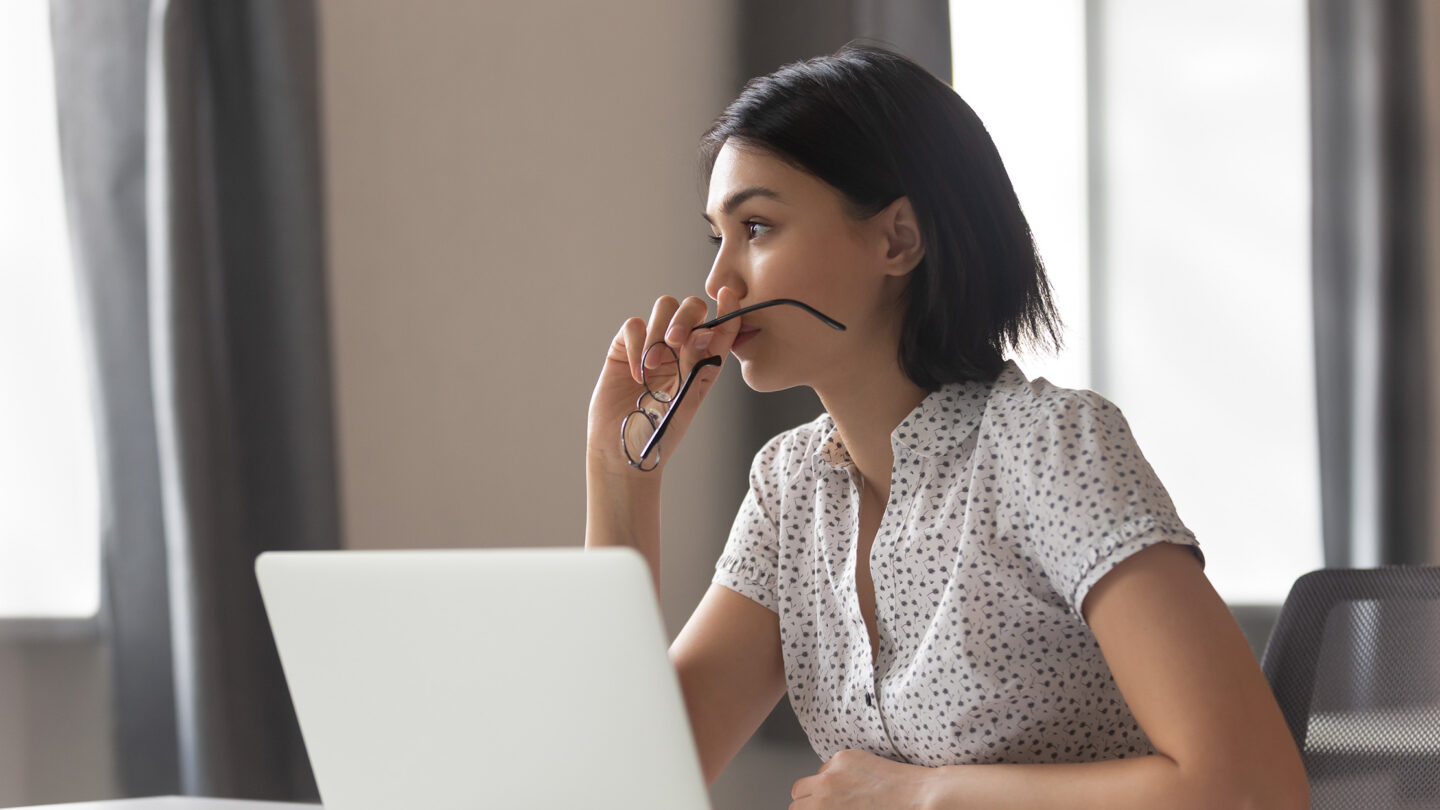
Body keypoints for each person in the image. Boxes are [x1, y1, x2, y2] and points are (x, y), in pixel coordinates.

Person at [584, 42, 1308, 810]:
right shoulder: (789, 491)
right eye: (716, 237)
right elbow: (620, 784)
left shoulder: (1050, 449)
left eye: (757, 227)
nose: (718, 282)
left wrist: (924, 796)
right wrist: (620, 475)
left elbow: (1252, 788)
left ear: (898, 239)